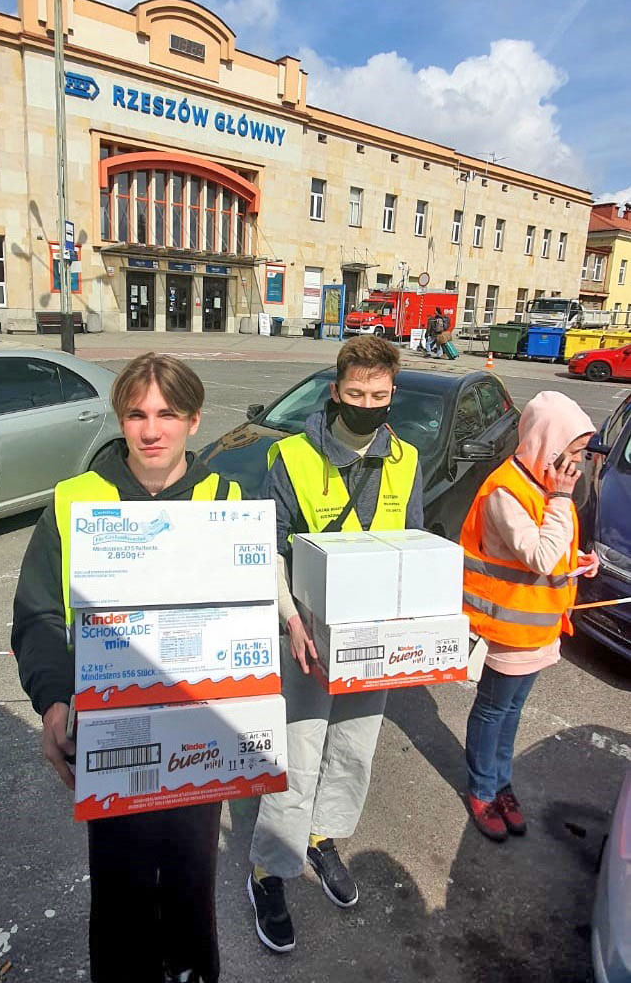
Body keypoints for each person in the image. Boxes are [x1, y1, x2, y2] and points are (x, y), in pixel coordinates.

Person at [11, 353, 241, 983]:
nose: (151, 430)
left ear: (194, 421)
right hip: (111, 730)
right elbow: (37, 616)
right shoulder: (74, 503)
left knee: (194, 875)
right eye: (137, 413)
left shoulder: (226, 501)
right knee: (120, 883)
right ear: (120, 418)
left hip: (200, 730)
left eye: (168, 414)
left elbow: (243, 617)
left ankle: (194, 970)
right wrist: (55, 700)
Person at [247, 335, 423, 952]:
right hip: (307, 633)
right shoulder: (291, 457)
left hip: (372, 637)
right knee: (297, 754)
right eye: (356, 394)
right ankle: (269, 869)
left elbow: (416, 549)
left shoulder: (406, 458)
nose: (368, 404)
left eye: (379, 395)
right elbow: (266, 549)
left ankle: (323, 839)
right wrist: (291, 621)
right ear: (336, 393)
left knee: (353, 749)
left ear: (391, 393)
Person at [460, 391, 599, 842]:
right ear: (547, 444)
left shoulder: (542, 485)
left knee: (512, 711)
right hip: (507, 632)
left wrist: (577, 558)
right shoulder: (507, 490)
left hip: (538, 629)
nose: (577, 463)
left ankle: (501, 784)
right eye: (572, 452)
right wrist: (562, 500)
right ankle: (483, 789)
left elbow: (552, 550)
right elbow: (539, 554)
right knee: (494, 709)